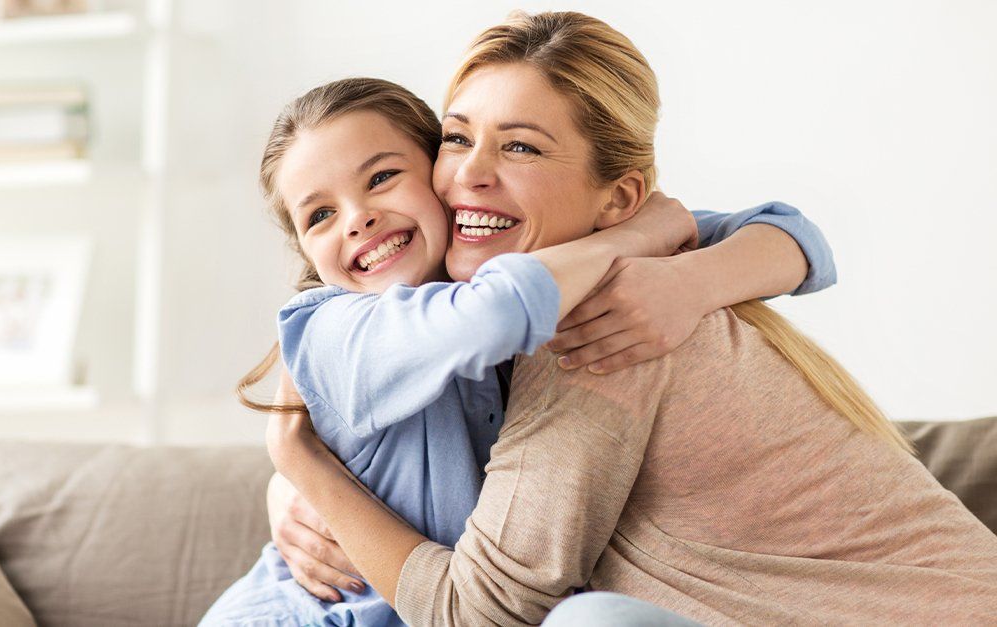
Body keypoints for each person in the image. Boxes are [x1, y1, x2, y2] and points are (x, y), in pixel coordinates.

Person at [267, 11, 997, 626]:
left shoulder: (607, 320)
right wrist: (286, 491)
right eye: (457, 138)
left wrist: (304, 464)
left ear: (618, 200)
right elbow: (752, 230)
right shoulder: (602, 273)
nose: (469, 175)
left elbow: (477, 611)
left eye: (520, 145)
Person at [202, 70, 836, 626]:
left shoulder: (480, 281)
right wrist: (633, 237)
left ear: (440, 180)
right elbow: (498, 312)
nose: (357, 218)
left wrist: (688, 276)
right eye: (319, 216)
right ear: (306, 253)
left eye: (383, 177)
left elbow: (795, 236)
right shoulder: (337, 329)